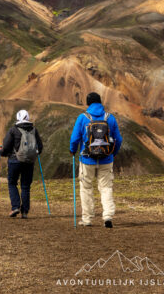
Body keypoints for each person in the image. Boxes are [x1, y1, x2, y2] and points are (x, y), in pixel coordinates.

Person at [70, 92, 123, 228]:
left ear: (88, 103)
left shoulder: (83, 118)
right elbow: (119, 139)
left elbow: (75, 138)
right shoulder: (110, 118)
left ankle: (87, 219)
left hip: (86, 159)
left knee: (86, 188)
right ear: (100, 102)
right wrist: (113, 153)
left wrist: (72, 150)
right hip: (106, 159)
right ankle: (107, 216)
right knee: (106, 187)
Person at [0, 110, 43, 219]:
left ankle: (15, 207)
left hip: (15, 161)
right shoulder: (34, 130)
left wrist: (0, 152)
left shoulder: (13, 130)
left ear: (18, 117)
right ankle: (25, 212)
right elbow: (40, 147)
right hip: (29, 162)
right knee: (25, 186)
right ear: (28, 117)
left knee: (12, 183)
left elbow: (6, 147)